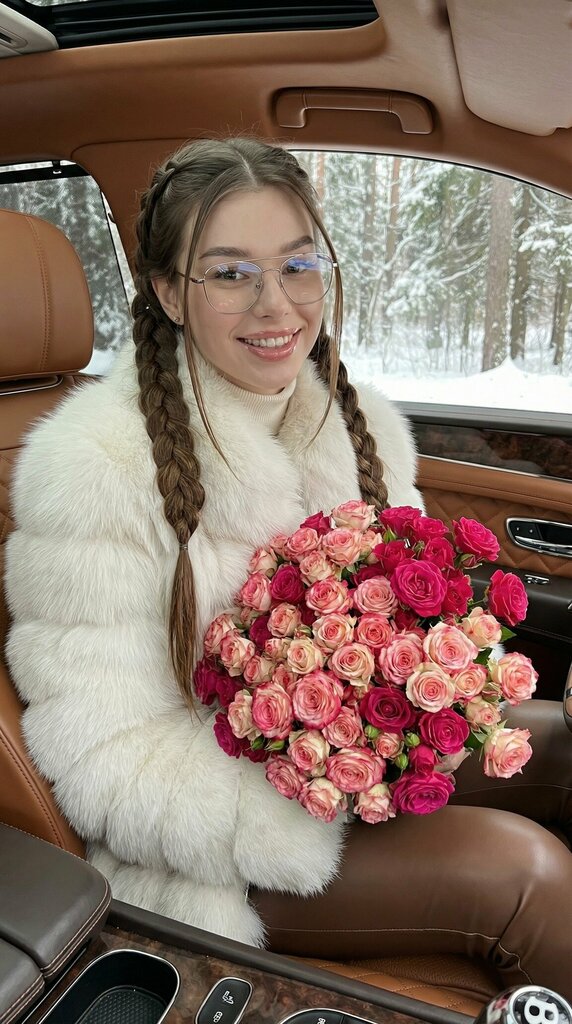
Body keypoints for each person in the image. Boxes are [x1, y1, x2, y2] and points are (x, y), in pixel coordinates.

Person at [5, 137, 572, 1000]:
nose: (276, 304)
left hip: (367, 758)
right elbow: (102, 749)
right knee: (525, 875)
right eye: (231, 273)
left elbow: (422, 621)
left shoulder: (358, 422)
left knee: (565, 746)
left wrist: (431, 708)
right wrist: (314, 786)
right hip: (219, 842)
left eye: (298, 265)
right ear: (170, 293)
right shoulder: (96, 465)